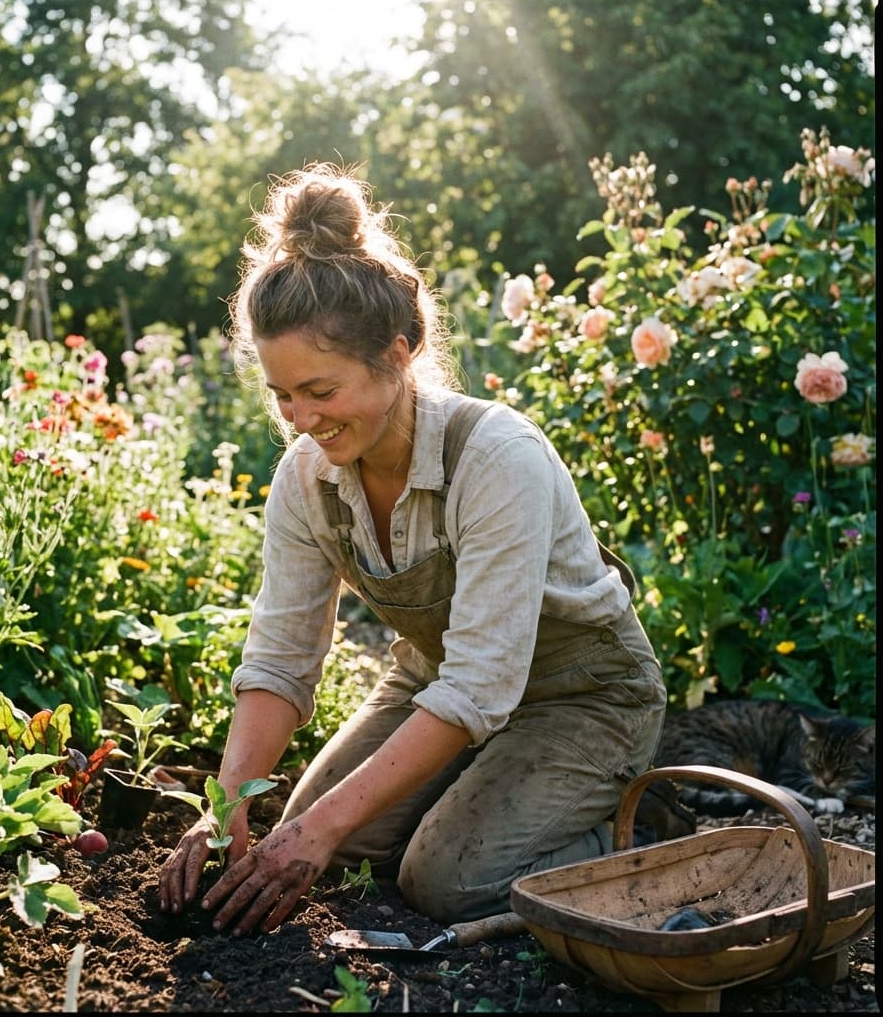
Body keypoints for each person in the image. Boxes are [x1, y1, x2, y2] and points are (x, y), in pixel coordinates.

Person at [158, 162, 686, 937]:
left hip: (584, 695)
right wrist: (226, 806)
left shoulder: (496, 456)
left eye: (322, 390)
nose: (301, 417)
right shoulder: (307, 477)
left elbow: (480, 683)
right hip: (442, 684)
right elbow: (279, 658)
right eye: (283, 395)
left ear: (400, 352)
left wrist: (322, 827)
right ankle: (494, 795)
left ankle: (630, 831)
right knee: (325, 838)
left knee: (441, 880)